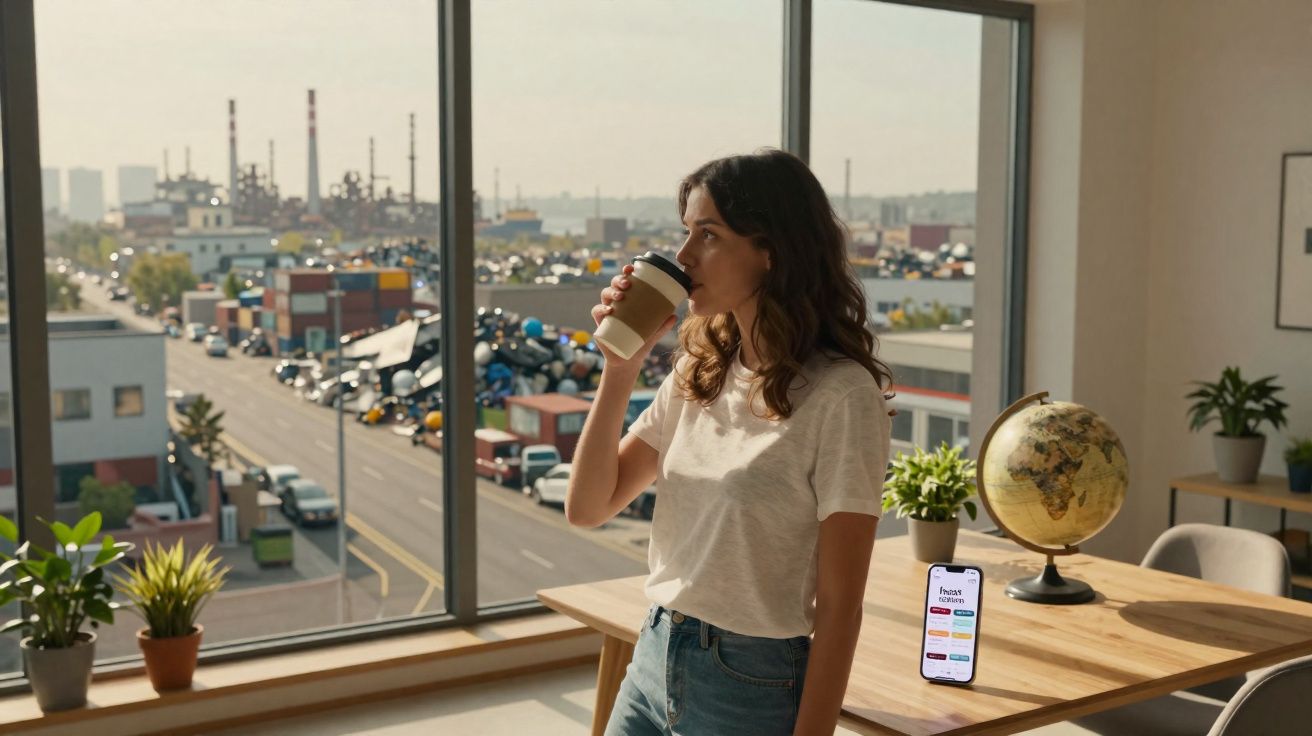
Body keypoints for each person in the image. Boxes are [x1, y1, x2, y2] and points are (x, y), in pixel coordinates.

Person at [568, 148, 895, 736]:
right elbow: (588, 507)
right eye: (686, 233)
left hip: (751, 679)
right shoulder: (699, 368)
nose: (684, 256)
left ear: (771, 251)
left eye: (709, 235)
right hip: (655, 651)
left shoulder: (842, 396)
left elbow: (841, 605)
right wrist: (620, 370)